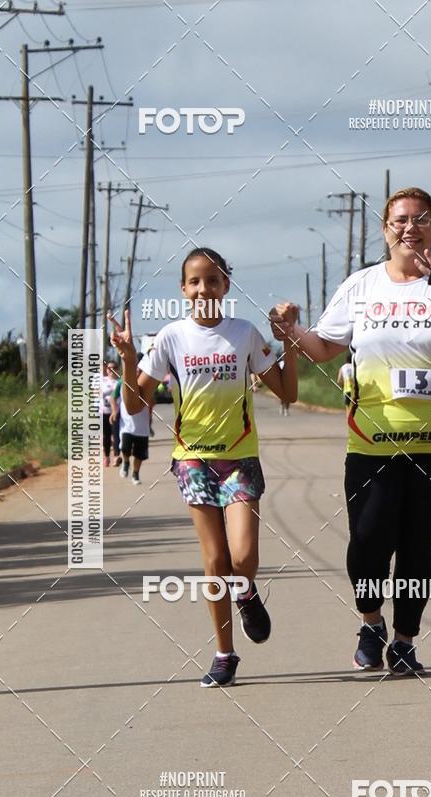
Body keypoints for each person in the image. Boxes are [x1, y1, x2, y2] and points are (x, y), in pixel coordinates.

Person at [271, 186, 431, 676]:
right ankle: (371, 623)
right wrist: (289, 331)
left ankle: (405, 641)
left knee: (418, 546)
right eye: (400, 220)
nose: (410, 227)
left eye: (421, 219)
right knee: (367, 540)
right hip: (372, 440)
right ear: (385, 231)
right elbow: (324, 348)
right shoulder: (361, 286)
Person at [110, 247, 297, 687]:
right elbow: (134, 405)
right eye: (194, 281)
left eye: (212, 280)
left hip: (239, 459)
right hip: (193, 461)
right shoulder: (170, 338)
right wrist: (129, 358)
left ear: (225, 286)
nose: (203, 289)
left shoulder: (244, 334)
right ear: (183, 289)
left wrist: (288, 341)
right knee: (215, 560)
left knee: (243, 557)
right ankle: (224, 653)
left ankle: (246, 592)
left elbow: (287, 393)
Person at [118, 352, 152, 486]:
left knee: (139, 454)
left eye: (139, 367)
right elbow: (113, 397)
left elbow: (151, 402)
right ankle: (126, 462)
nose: (137, 370)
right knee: (125, 448)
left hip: (142, 426)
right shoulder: (122, 381)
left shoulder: (148, 382)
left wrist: (150, 422)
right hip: (127, 425)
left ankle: (135, 474)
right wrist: (114, 411)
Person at [100, 361, 119, 467]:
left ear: (117, 369)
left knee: (116, 435)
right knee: (106, 436)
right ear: (106, 370)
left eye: (114, 368)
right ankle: (106, 457)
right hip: (104, 412)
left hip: (116, 412)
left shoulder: (119, 381)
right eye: (109, 368)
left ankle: (116, 456)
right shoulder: (102, 381)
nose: (111, 370)